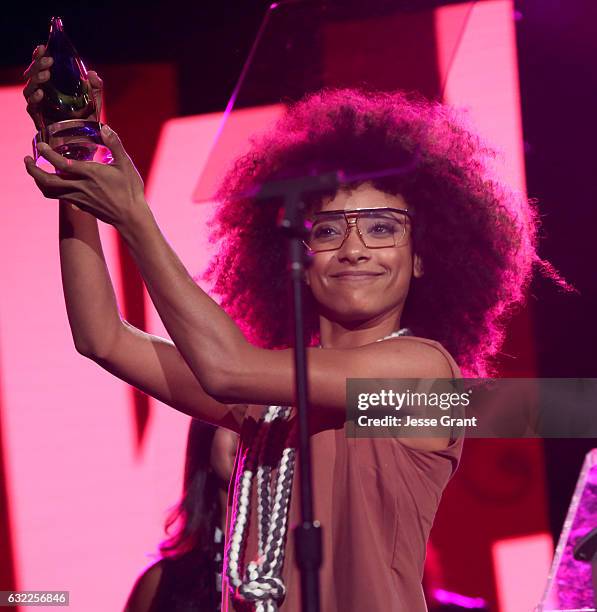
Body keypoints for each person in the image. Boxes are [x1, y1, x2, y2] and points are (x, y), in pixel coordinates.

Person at [23, 44, 567, 611]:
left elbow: (227, 368)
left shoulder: (422, 374)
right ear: (298, 257)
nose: (355, 249)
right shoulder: (275, 403)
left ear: (425, 257)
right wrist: (79, 165)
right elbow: (102, 338)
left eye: (382, 229)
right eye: (328, 231)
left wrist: (134, 214)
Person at [125, 422, 239, 612]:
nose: (243, 434)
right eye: (231, 420)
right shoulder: (161, 582)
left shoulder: (299, 564)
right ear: (204, 445)